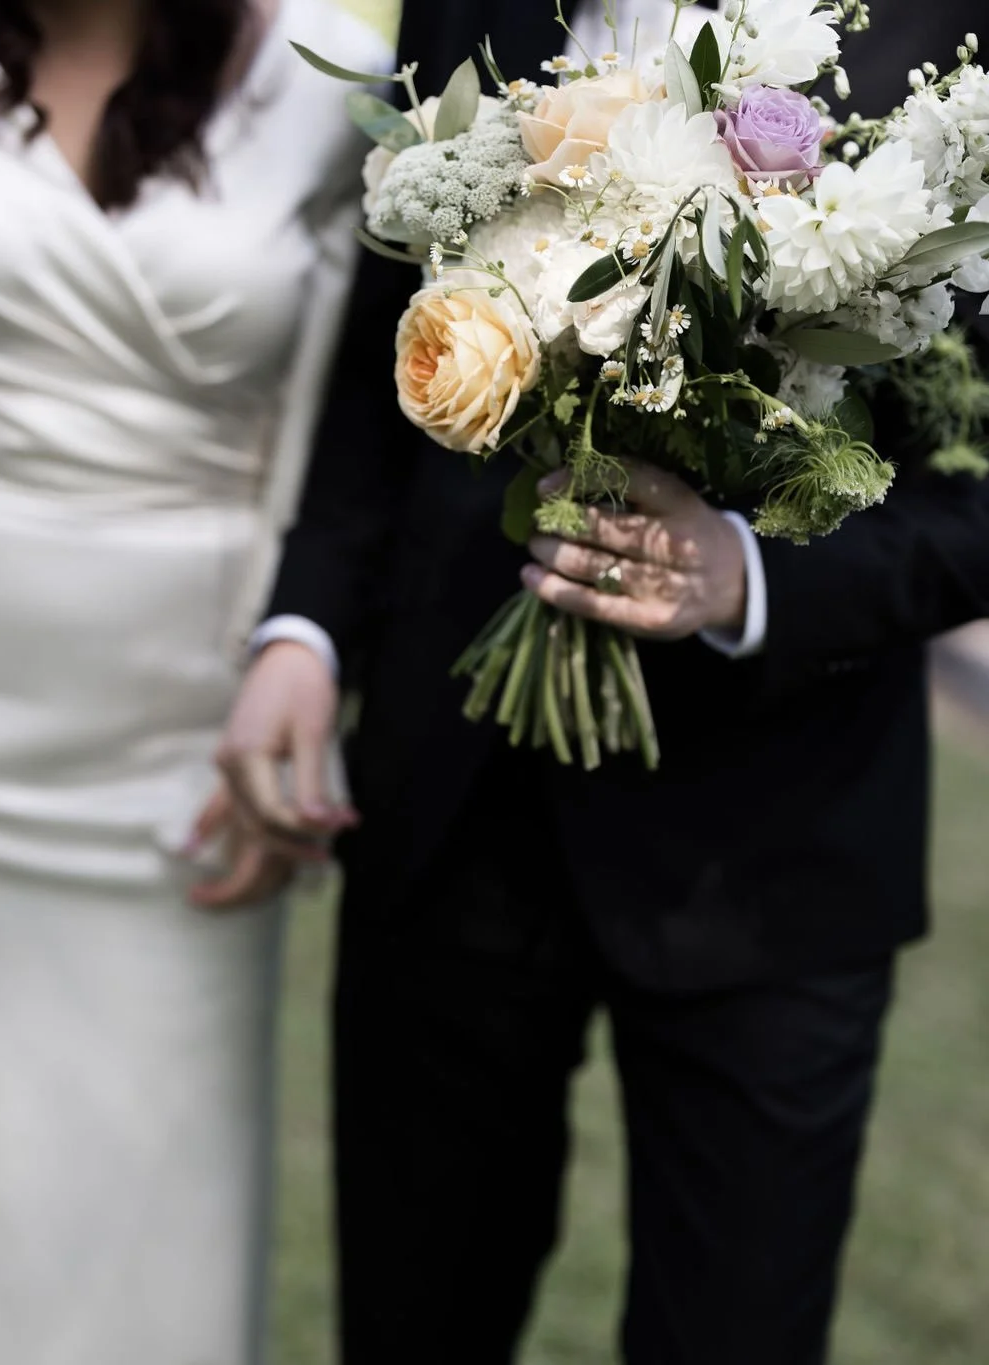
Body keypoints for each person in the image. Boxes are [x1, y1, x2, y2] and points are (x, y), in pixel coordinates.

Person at [218, 0, 989, 1361]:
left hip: (776, 840)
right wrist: (306, 627)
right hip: (454, 795)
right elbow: (385, 336)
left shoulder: (954, 37)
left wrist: (746, 575)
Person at [0, 0, 387, 1362]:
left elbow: (347, 434)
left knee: (145, 1236)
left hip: (178, 764)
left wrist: (301, 654)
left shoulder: (336, 86)